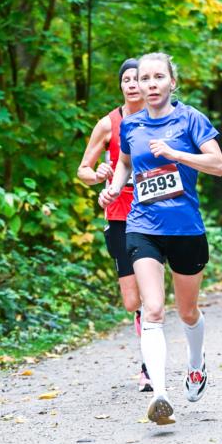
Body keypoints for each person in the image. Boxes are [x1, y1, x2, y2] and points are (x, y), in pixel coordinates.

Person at [99, 52, 222, 425]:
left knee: (187, 311)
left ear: (172, 82)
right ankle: (159, 395)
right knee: (152, 310)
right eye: (144, 78)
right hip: (142, 226)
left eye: (158, 78)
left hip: (186, 229)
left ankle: (196, 364)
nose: (150, 84)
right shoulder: (132, 126)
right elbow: (124, 161)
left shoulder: (191, 120)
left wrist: (175, 153)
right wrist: (115, 187)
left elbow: (218, 166)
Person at [77, 59, 152, 392]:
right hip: (119, 215)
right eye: (126, 80)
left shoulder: (160, 118)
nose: (132, 84)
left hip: (154, 214)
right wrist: (99, 176)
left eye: (137, 79)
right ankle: (145, 324)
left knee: (152, 296)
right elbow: (83, 170)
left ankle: (149, 366)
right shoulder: (108, 124)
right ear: (120, 86)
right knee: (131, 301)